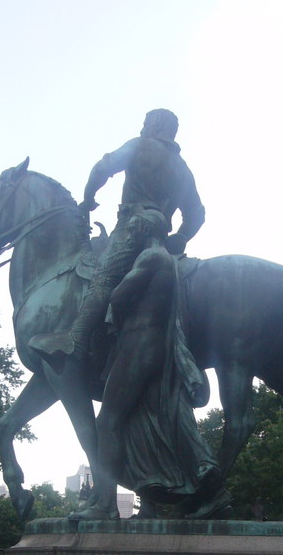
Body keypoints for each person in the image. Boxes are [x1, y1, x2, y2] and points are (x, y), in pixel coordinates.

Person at [72, 209, 220, 520]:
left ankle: (105, 506)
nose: (131, 236)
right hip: (156, 350)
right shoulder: (168, 261)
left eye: (134, 230)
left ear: (144, 230)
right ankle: (179, 485)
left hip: (139, 347)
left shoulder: (151, 257)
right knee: (158, 420)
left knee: (107, 421)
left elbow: (119, 294)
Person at [29, 108, 205, 363]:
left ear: (153, 125)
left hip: (133, 225)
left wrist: (89, 198)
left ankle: (75, 338)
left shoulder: (140, 145)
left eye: (146, 123)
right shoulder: (182, 168)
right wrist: (182, 236)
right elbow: (197, 213)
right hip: (161, 235)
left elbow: (104, 167)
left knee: (105, 275)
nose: (144, 128)